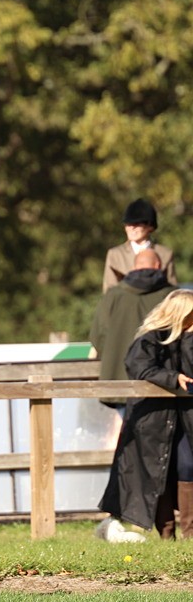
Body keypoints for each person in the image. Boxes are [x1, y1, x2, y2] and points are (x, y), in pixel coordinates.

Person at [98, 290, 193, 540]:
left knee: (187, 466)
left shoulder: (189, 337)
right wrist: (173, 378)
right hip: (153, 419)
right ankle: (167, 533)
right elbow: (140, 367)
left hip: (185, 417)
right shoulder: (150, 339)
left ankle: (190, 533)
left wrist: (190, 339)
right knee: (157, 470)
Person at [90, 249, 177, 412]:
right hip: (162, 380)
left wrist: (112, 357)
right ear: (158, 265)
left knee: (127, 431)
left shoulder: (114, 295)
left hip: (119, 377)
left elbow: (97, 336)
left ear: (134, 267)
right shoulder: (171, 295)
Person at [103, 199, 177, 292]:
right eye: (128, 224)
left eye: (136, 224)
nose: (131, 228)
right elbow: (109, 291)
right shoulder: (115, 255)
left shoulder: (165, 255)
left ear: (150, 226)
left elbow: (172, 292)